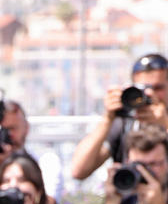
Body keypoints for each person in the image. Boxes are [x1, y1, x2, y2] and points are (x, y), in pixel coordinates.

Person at [70, 53, 168, 182]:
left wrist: (164, 123)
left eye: (157, 88)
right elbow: (79, 170)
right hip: (129, 197)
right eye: (142, 89)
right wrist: (108, 118)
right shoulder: (124, 123)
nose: (149, 94)